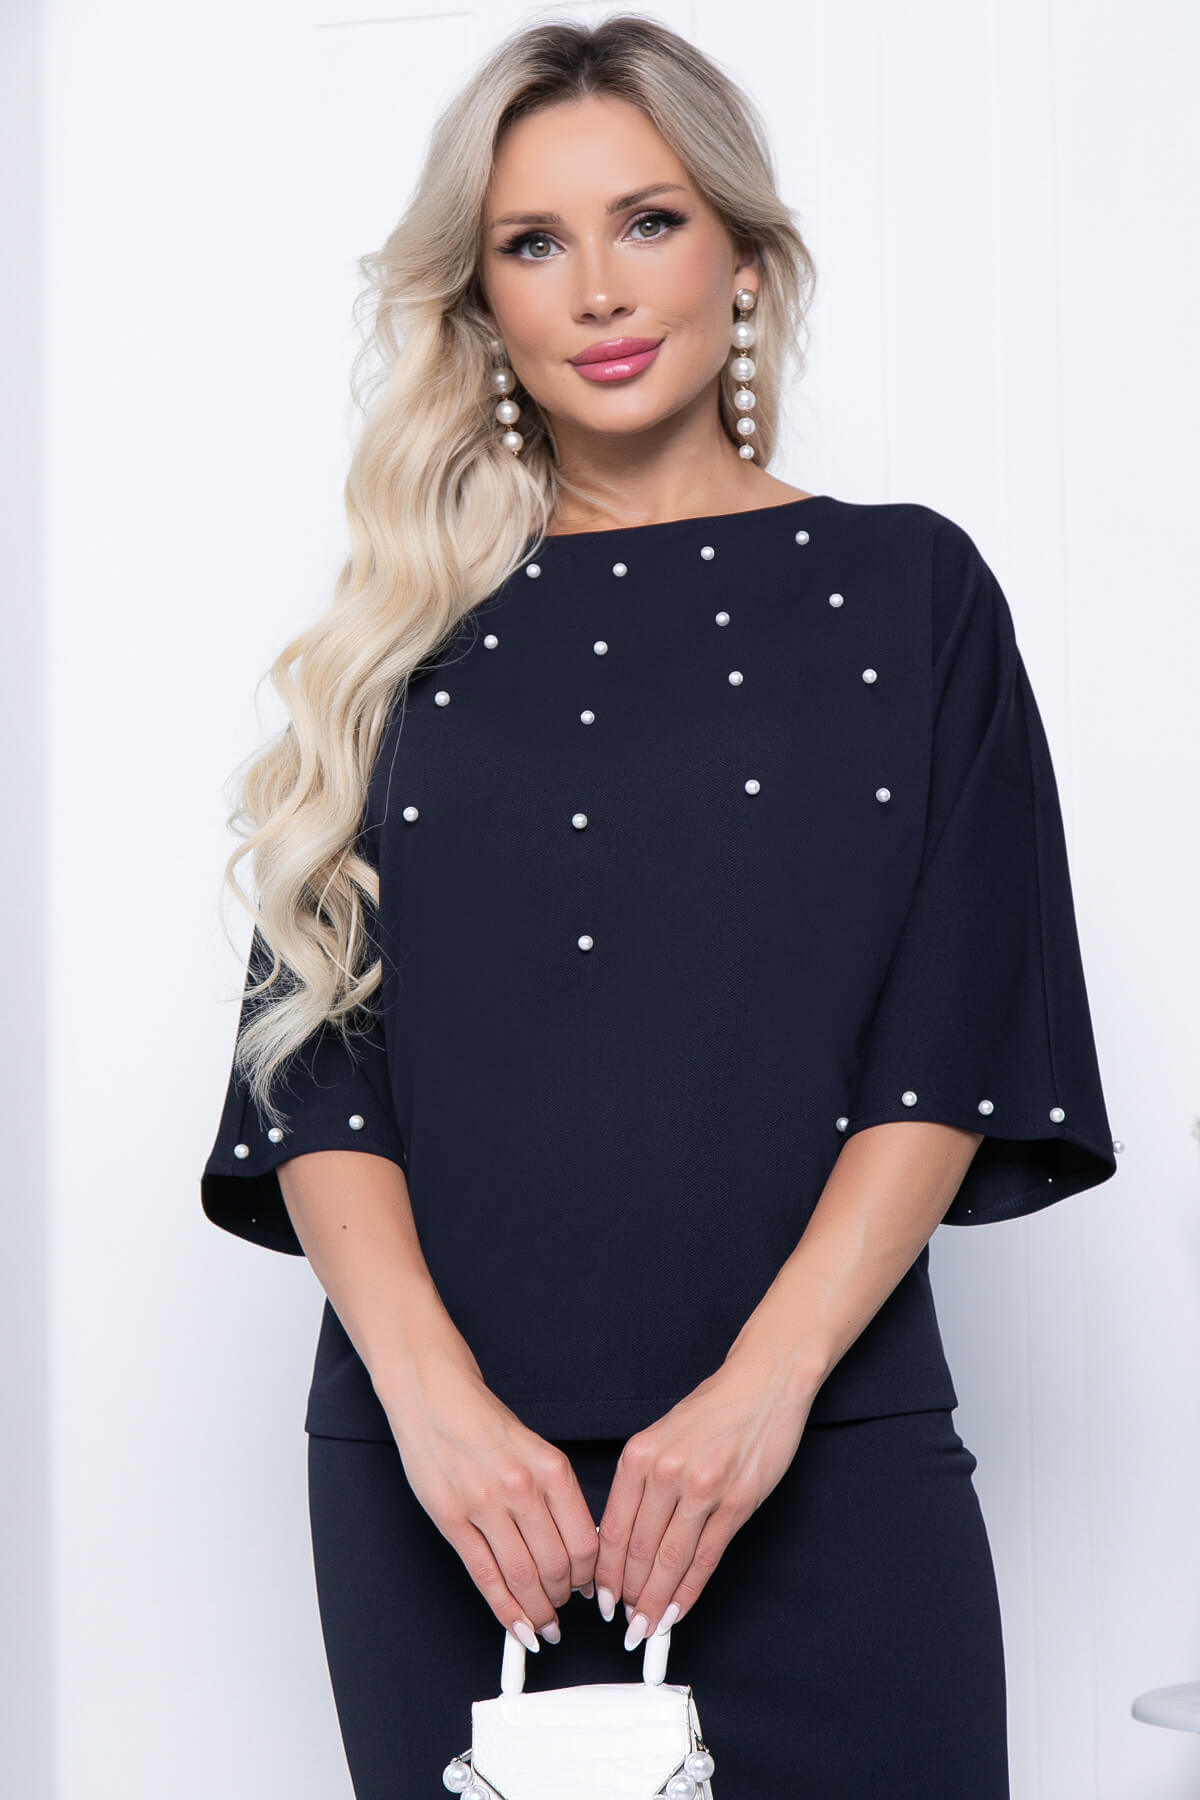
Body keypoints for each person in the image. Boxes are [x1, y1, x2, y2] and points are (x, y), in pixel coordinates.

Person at [199, 15, 1118, 1797]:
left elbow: (947, 1040)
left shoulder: (911, 589)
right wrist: (437, 1416)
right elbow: (317, 1068)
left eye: (650, 221)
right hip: (455, 1498)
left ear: (744, 260)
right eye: (533, 244)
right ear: (482, 305)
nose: (601, 290)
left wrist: (762, 1395)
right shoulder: (397, 635)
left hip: (821, 1446)